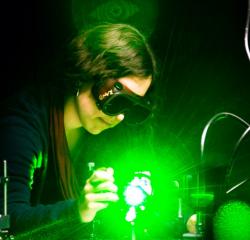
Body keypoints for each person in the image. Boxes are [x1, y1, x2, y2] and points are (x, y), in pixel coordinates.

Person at [0, 23, 157, 239]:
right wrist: (78, 210)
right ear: (86, 74)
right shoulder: (20, 125)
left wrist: (184, 219)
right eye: (117, 101)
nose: (120, 117)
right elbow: (7, 223)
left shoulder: (103, 136)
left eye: (132, 108)